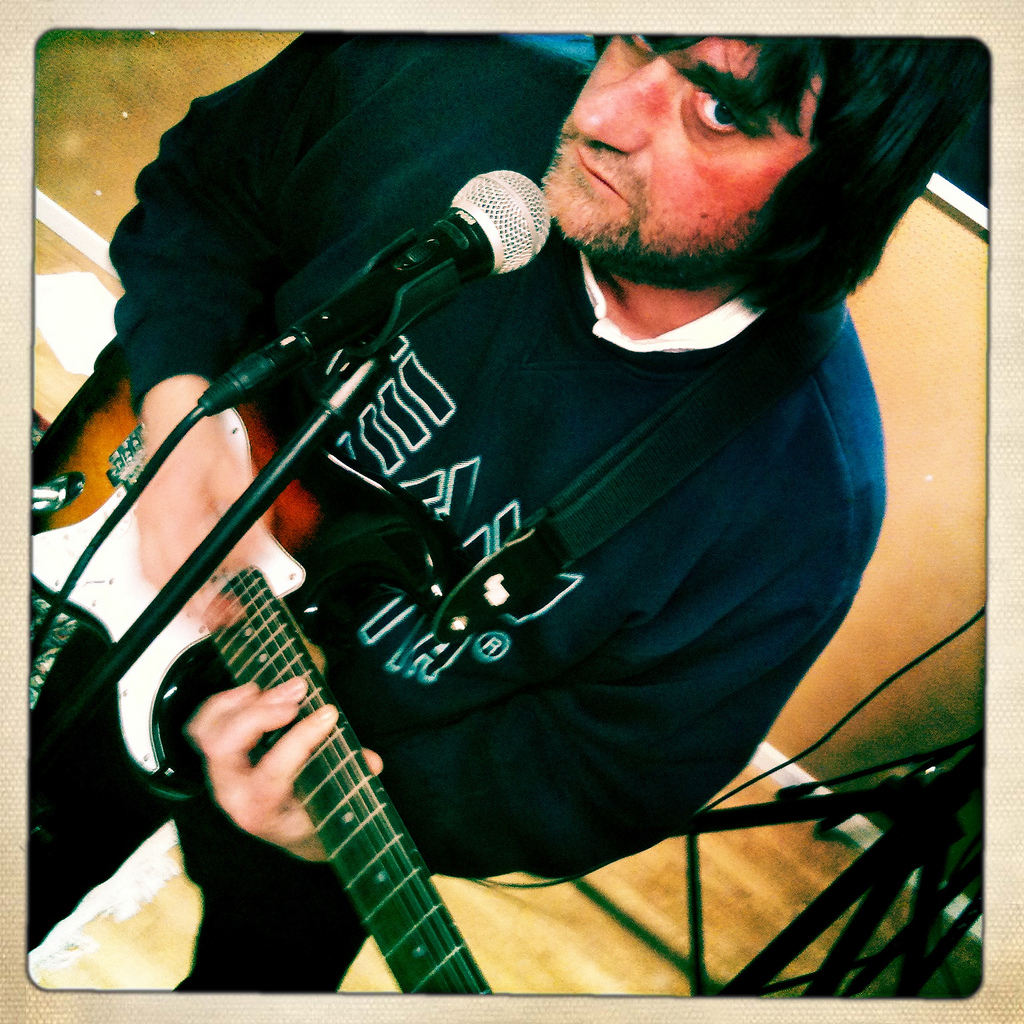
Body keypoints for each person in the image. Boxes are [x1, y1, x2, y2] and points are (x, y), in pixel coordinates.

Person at [62, 33, 989, 989]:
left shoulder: (806, 504)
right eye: (636, 41)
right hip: (124, 581)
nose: (600, 114)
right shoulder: (431, 72)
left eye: (718, 108)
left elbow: (603, 777)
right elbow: (210, 194)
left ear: (842, 188)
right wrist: (179, 400)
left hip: (338, 791)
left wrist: (347, 821)